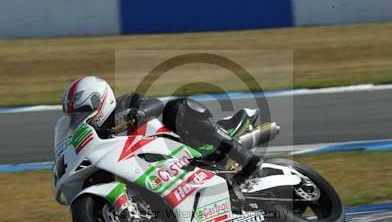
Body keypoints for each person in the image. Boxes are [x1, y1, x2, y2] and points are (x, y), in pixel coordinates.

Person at [61, 76, 260, 183]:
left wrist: (135, 114)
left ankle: (247, 159)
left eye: (80, 114)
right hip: (160, 174)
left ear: (100, 101)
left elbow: (155, 104)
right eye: (73, 117)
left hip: (180, 146)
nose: (77, 121)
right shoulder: (97, 139)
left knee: (178, 108)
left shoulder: (125, 104)